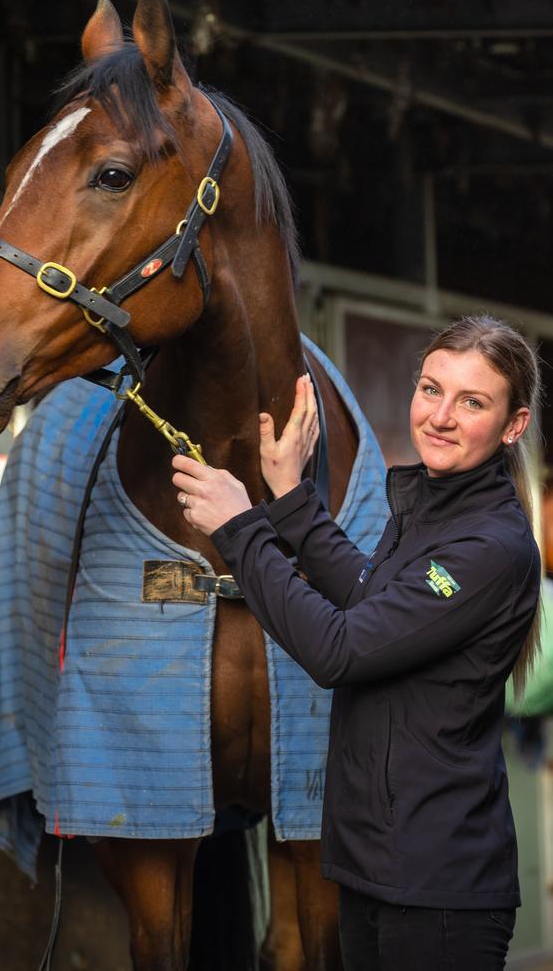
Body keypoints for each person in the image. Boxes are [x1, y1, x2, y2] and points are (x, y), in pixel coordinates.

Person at [171, 314, 542, 971]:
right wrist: (289, 499)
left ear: (513, 425)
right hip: (372, 865)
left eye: (473, 401)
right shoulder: (428, 506)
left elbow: (339, 648)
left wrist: (242, 530)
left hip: (438, 890)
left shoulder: (490, 547)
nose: (441, 416)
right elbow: (368, 592)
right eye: (432, 389)